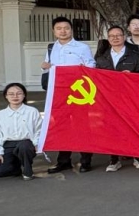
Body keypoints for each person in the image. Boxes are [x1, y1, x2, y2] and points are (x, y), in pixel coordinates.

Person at [42, 16, 96, 174]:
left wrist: (79, 69)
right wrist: (45, 67)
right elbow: (48, 68)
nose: (63, 31)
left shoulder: (82, 47)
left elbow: (91, 65)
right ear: (53, 31)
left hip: (78, 92)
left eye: (66, 28)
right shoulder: (51, 48)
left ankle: (85, 160)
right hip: (59, 92)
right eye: (59, 28)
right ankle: (64, 160)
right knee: (61, 125)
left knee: (81, 125)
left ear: (71, 30)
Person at [95, 25, 139, 172]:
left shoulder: (135, 56)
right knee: (112, 129)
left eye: (118, 35)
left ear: (124, 37)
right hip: (109, 99)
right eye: (112, 36)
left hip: (130, 98)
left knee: (133, 127)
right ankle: (114, 159)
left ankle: (138, 156)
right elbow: (96, 78)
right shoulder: (101, 58)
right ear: (108, 39)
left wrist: (131, 77)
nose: (115, 38)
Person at [0, 83, 41, 180]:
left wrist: (37, 143)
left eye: (19, 93)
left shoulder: (32, 111)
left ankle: (28, 170)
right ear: (6, 96)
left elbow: (39, 130)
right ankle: (16, 167)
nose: (15, 96)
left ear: (24, 95)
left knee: (24, 146)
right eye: (11, 94)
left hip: (27, 144)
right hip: (8, 145)